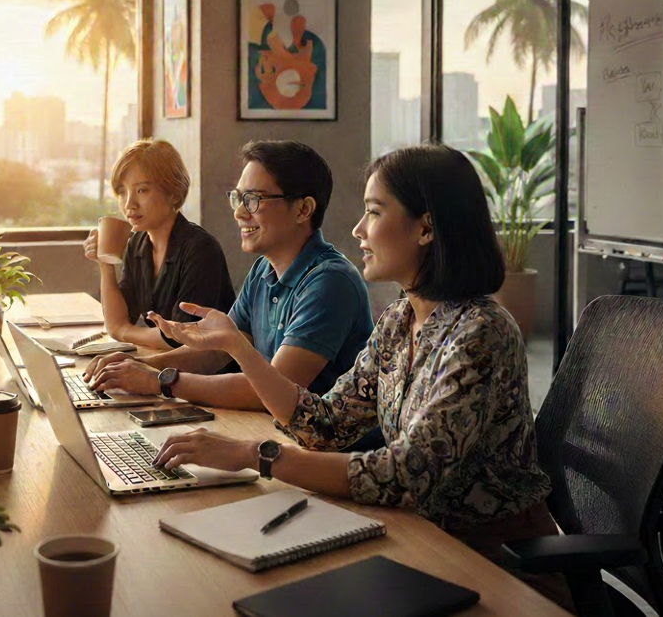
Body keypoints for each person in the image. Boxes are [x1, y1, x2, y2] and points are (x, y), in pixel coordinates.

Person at [149, 144, 559, 560]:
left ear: (425, 229)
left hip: (496, 557)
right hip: (418, 531)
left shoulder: (481, 333)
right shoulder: (399, 320)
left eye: (375, 212)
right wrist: (237, 345)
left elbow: (406, 474)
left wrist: (253, 454)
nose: (358, 229)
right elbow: (325, 424)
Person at [86, 140, 373, 410]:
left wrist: (158, 380)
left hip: (327, 453)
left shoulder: (329, 282)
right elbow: (217, 351)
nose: (238, 213)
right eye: (237, 198)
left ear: (303, 209)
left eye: (253, 199)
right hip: (276, 432)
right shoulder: (263, 269)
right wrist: (143, 366)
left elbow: (278, 390)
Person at [83, 138, 235, 350]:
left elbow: (182, 337)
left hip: (210, 374)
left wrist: (124, 331)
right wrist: (105, 264)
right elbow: (119, 317)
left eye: (142, 190)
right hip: (166, 364)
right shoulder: (138, 242)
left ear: (173, 193)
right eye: (122, 191)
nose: (129, 204)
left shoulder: (200, 249)